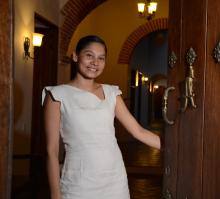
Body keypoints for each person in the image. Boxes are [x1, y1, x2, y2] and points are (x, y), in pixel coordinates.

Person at [42, 35, 161, 199]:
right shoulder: (57, 95)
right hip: (78, 182)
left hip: (114, 181)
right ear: (76, 56)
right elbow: (52, 151)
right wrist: (55, 194)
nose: (95, 62)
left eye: (101, 58)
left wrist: (174, 148)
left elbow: (139, 131)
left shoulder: (112, 93)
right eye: (89, 55)